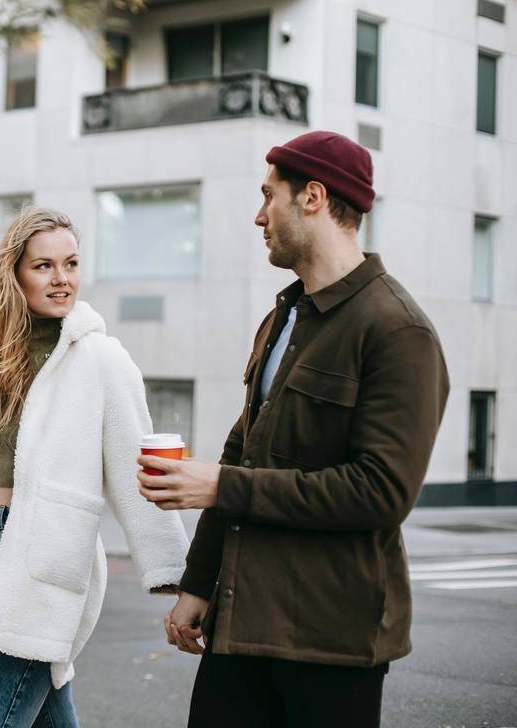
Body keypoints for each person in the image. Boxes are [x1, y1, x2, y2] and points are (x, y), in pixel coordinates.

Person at [137, 131, 450, 728]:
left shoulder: (397, 330)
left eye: (267, 196)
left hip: (329, 642)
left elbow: (380, 492)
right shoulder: (285, 315)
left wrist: (222, 486)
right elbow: (242, 452)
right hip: (240, 627)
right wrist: (198, 582)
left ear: (312, 198)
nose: (259, 216)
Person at [0, 207, 189, 727]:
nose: (61, 279)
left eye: (71, 264)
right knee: (48, 710)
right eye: (44, 266)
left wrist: (179, 574)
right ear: (16, 274)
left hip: (48, 554)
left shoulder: (100, 359)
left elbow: (138, 470)